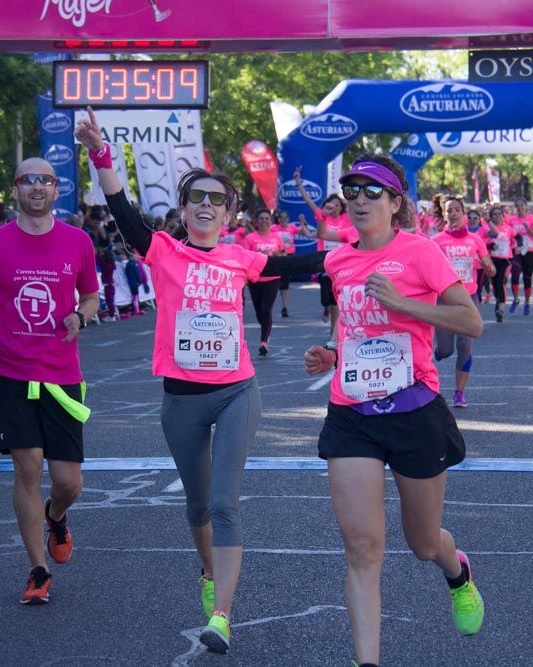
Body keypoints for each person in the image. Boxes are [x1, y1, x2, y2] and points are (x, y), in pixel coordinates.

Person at [76, 107, 326, 654]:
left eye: (217, 199)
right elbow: (121, 209)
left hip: (237, 390)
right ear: (184, 209)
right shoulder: (163, 251)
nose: (207, 206)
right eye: (198, 198)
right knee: (196, 508)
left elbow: (302, 265)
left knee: (224, 503)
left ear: (230, 211)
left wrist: (360, 251)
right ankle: (210, 571)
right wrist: (101, 153)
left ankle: (222, 615)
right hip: (180, 400)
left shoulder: (241, 258)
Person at [303, 153, 485, 667]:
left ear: (396, 202)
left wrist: (406, 305)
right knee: (362, 548)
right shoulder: (338, 262)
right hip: (352, 412)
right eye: (352, 191)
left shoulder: (421, 252)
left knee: (423, 543)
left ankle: (457, 571)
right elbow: (350, 328)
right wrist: (332, 353)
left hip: (413, 410)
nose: (359, 200)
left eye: (371, 191)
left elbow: (470, 322)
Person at [0, 158, 100, 606]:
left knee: (68, 481)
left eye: (46, 180)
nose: (37, 187)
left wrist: (80, 314)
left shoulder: (77, 241)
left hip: (62, 375)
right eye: (27, 180)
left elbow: (93, 295)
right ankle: (38, 570)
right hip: (11, 372)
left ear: (56, 190)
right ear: (15, 189)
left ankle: (56, 515)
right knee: (27, 468)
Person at [432, 197, 495, 408]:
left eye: (457, 209)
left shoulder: (475, 240)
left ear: (464, 213)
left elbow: (489, 265)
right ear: (444, 214)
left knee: (465, 345)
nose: (454, 213)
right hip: (445, 298)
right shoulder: (436, 241)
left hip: (469, 297)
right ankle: (440, 351)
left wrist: (489, 268)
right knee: (447, 350)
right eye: (449, 210)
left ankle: (459, 392)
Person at [294, 169, 352, 341]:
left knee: (337, 300)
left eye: (337, 205)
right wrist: (298, 183)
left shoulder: (347, 219)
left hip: (342, 262)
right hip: (325, 261)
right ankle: (326, 308)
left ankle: (334, 331)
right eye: (331, 204)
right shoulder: (323, 217)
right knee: (327, 300)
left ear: (341, 207)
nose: (333, 207)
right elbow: (308, 201)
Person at [242, 209, 286, 356]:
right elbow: (245, 257)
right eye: (261, 219)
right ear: (256, 221)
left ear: (271, 221)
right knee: (259, 312)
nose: (264, 221)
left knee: (266, 309)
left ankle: (263, 342)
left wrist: (281, 258)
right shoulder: (250, 238)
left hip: (273, 278)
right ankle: (265, 329)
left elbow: (282, 253)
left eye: (267, 218)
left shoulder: (276, 237)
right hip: (255, 278)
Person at [506, 198, 533, 316]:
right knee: (515, 274)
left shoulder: (532, 219)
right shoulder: (511, 220)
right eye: (517, 206)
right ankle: (516, 299)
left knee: (527, 278)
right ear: (515, 208)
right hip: (516, 251)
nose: (520, 207)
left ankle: (527, 302)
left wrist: (528, 229)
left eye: (522, 205)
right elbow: (508, 235)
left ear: (526, 206)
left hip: (529, 251)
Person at [485, 206, 516, 323]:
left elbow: (516, 238)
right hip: (492, 259)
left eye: (499, 214)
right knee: (495, 284)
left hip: (506, 260)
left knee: (501, 282)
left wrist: (516, 245)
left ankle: (501, 310)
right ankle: (498, 305)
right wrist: (491, 246)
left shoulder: (509, 229)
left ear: (503, 216)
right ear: (491, 217)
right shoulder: (487, 229)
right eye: (495, 214)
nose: (497, 216)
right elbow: (485, 242)